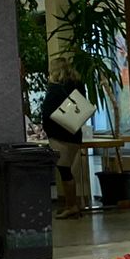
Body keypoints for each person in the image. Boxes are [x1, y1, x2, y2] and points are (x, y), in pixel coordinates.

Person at [41, 58, 90, 218]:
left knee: (64, 170)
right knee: (67, 169)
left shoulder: (54, 88)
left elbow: (47, 112)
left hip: (58, 135)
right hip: (74, 132)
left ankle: (71, 205)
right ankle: (71, 204)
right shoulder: (78, 85)